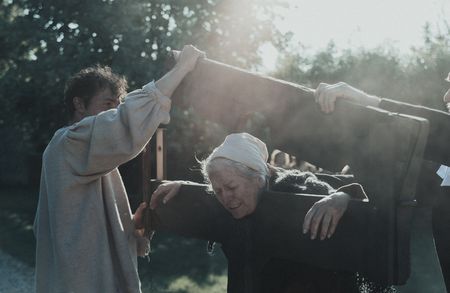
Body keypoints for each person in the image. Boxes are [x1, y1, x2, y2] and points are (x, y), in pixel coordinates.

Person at [33, 45, 204, 293]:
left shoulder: (90, 155)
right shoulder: (68, 142)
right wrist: (183, 68)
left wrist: (132, 230)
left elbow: (80, 223)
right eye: (107, 104)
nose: (113, 112)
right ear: (79, 104)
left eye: (116, 104)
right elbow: (127, 120)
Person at [150, 132, 376, 292]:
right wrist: (184, 187)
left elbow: (366, 206)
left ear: (258, 179)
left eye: (231, 187)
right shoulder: (226, 201)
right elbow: (210, 195)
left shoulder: (299, 189)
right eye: (218, 191)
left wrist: (344, 197)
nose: (226, 198)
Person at [314, 74, 450, 291]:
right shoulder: (438, 168)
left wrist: (367, 101)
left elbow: (440, 129)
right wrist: (345, 195)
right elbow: (393, 184)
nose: (446, 96)